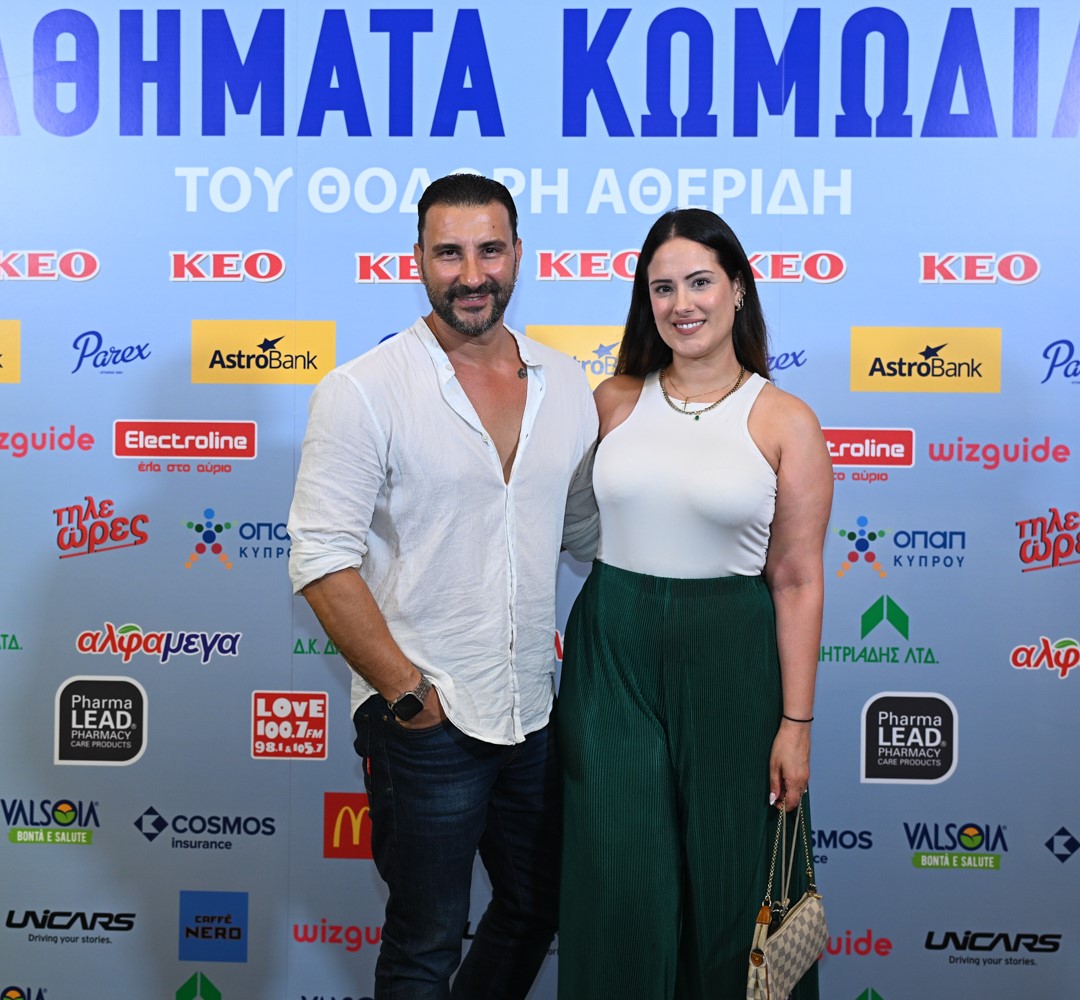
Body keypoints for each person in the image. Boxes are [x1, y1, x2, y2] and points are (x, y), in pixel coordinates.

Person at [286, 172, 599, 1000]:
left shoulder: (566, 383)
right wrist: (408, 695)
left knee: (535, 907)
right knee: (424, 945)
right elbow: (321, 560)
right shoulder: (363, 390)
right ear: (417, 260)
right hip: (425, 721)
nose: (472, 274)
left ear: (518, 254)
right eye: (449, 253)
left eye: (490, 250)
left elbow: (586, 529)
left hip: (533, 711)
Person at [556, 208, 833, 998]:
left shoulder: (785, 420)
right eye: (663, 288)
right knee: (618, 882)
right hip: (612, 655)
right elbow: (554, 518)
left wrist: (796, 725)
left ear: (737, 289)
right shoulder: (611, 400)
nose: (683, 304)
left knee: (732, 886)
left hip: (732, 657)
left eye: (700, 282)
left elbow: (797, 578)